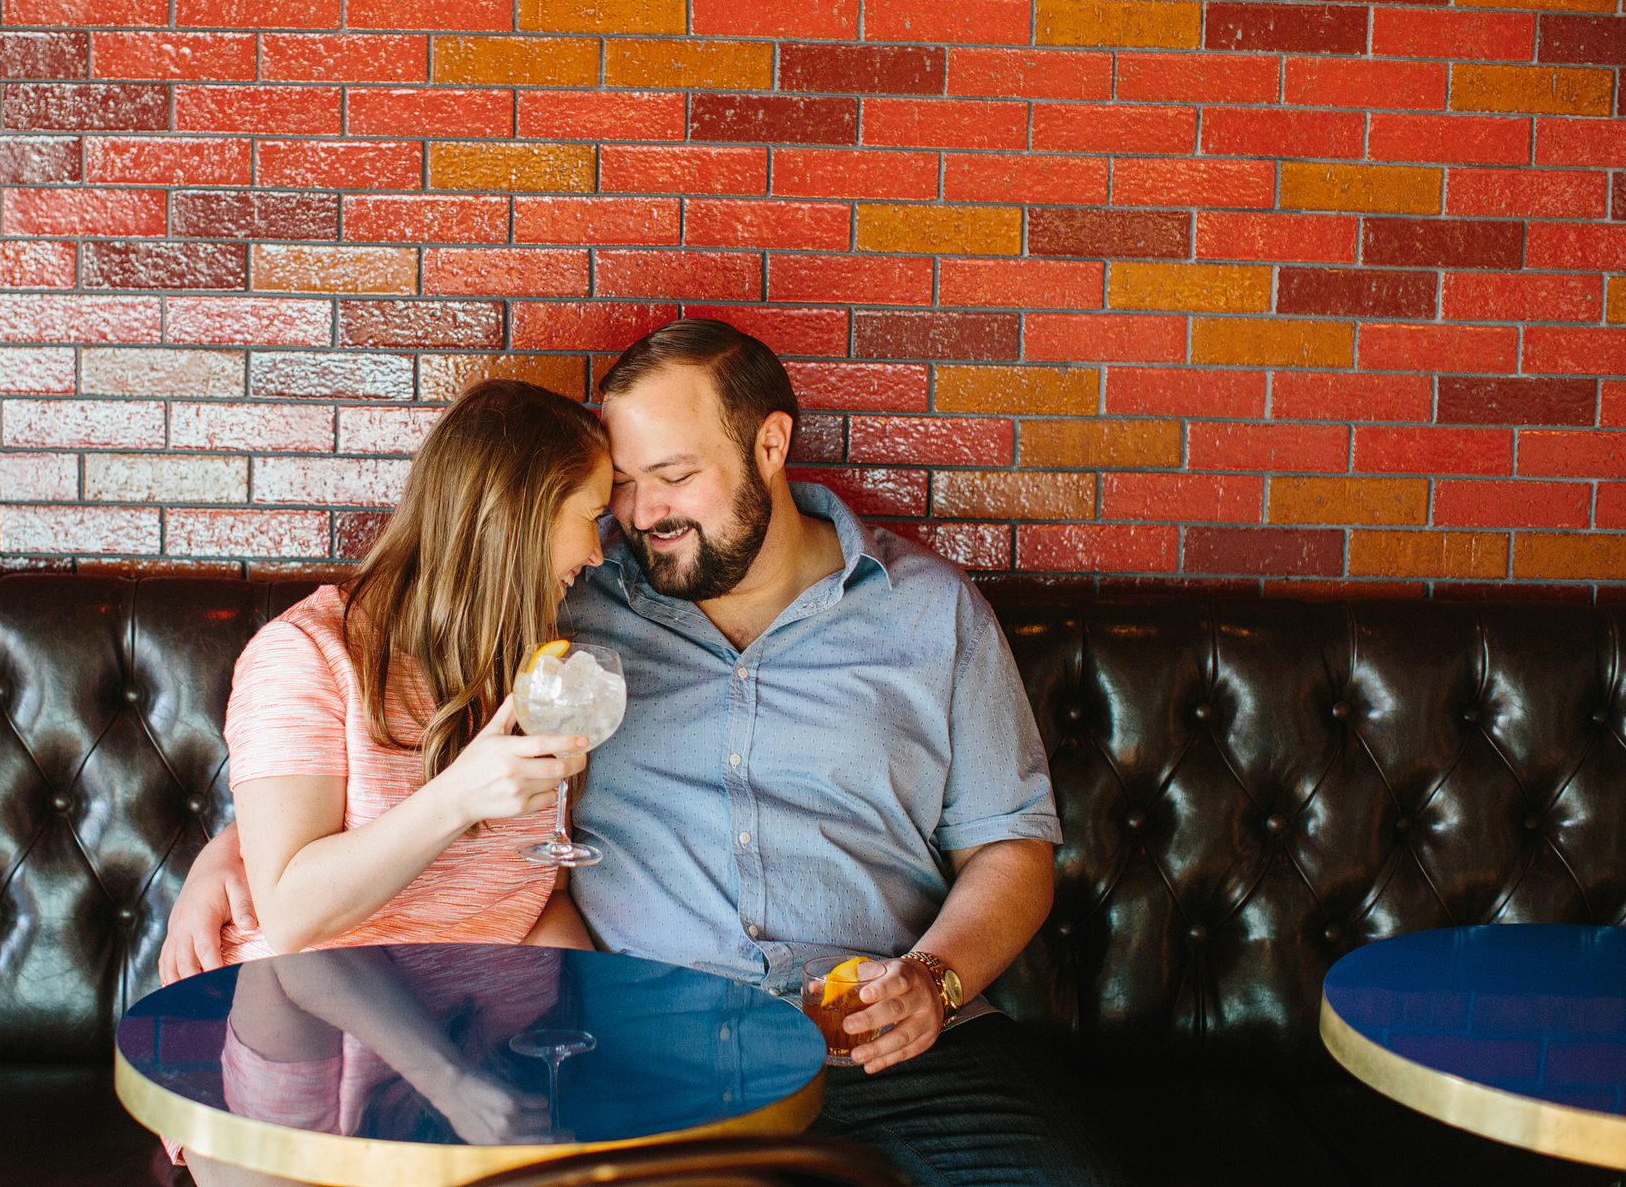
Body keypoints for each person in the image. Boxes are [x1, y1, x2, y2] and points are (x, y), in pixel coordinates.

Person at [168, 321, 1129, 1187]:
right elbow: (389, 714)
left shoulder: (932, 612)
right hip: (659, 1038)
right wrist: (231, 853)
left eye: (674, 476)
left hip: (902, 1034)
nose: (640, 514)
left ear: (770, 444)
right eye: (621, 487)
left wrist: (936, 977)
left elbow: (1012, 847)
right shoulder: (572, 607)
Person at [169, 377, 613, 1183]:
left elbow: (535, 888)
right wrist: (454, 797)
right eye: (589, 516)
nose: (598, 552)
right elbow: (295, 916)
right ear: (514, 515)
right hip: (313, 1071)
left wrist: (579, 1032)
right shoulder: (309, 655)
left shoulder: (527, 673)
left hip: (485, 1078)